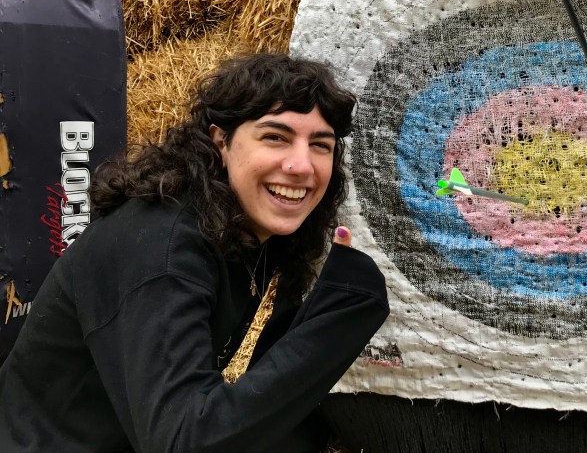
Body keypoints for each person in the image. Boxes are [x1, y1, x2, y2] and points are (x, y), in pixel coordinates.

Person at [0, 53, 389, 453]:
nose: (301, 165)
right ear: (222, 142)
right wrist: (341, 317)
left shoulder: (258, 240)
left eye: (321, 145)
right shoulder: (159, 246)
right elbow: (185, 441)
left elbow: (267, 402)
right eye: (276, 137)